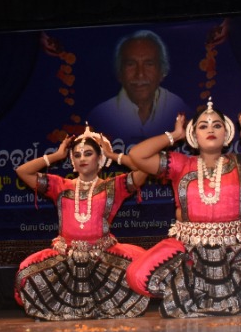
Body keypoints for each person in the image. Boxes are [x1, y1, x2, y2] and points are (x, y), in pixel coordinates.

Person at [123, 99, 241, 317]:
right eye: (203, 126)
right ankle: (191, 290)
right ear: (194, 135)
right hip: (189, 247)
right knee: (137, 276)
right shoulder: (179, 164)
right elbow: (137, 155)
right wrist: (174, 135)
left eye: (217, 125)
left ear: (227, 133)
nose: (210, 130)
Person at [11, 125, 150, 321]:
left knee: (141, 270)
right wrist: (56, 156)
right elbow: (22, 171)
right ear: (72, 161)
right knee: (26, 273)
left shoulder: (113, 186)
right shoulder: (60, 186)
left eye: (88, 153)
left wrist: (113, 155)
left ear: (99, 158)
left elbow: (144, 169)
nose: (82, 158)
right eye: (77, 155)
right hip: (65, 256)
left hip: (102, 256)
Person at [88, 30, 189, 142]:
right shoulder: (101, 115)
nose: (140, 74)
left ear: (162, 72)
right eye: (130, 64)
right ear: (119, 73)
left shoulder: (178, 108)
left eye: (149, 64)